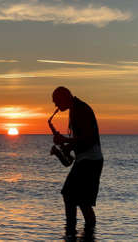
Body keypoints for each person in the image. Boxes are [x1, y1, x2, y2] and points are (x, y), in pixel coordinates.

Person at [51, 86, 104, 238]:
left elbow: (88, 139)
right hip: (88, 159)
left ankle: (72, 233)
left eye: (56, 101)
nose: (56, 106)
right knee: (80, 201)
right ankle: (83, 235)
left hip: (90, 160)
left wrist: (65, 141)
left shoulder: (80, 109)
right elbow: (82, 140)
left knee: (71, 196)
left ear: (64, 97)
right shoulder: (76, 108)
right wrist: (67, 147)